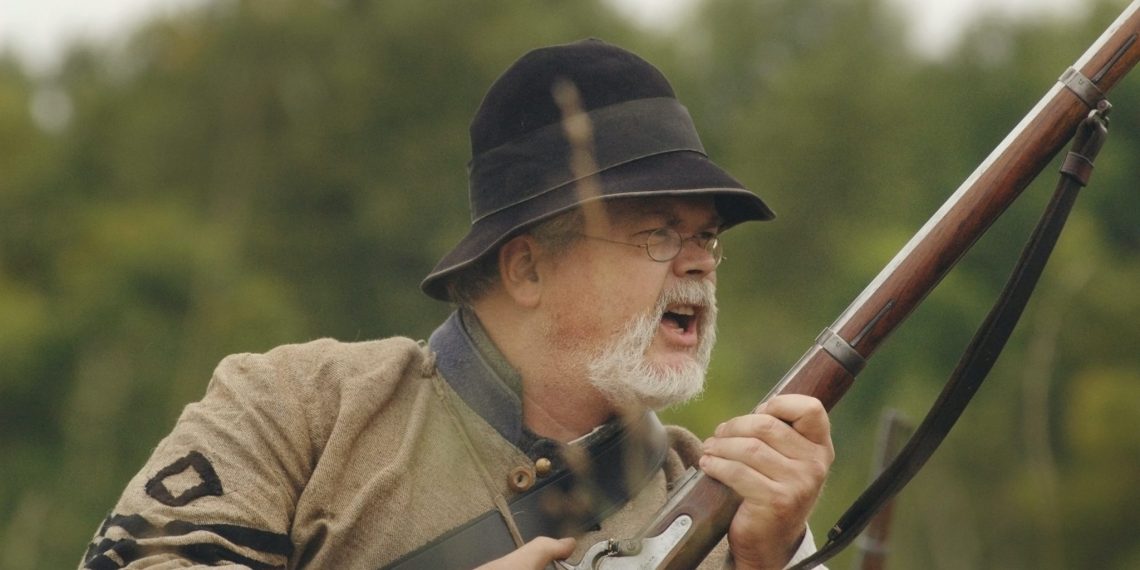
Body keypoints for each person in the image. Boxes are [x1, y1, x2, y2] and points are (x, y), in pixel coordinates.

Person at [81, 38, 833, 570]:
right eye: (658, 234)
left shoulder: (723, 504)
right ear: (527, 268)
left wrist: (772, 561)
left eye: (705, 235)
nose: (700, 261)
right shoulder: (294, 407)